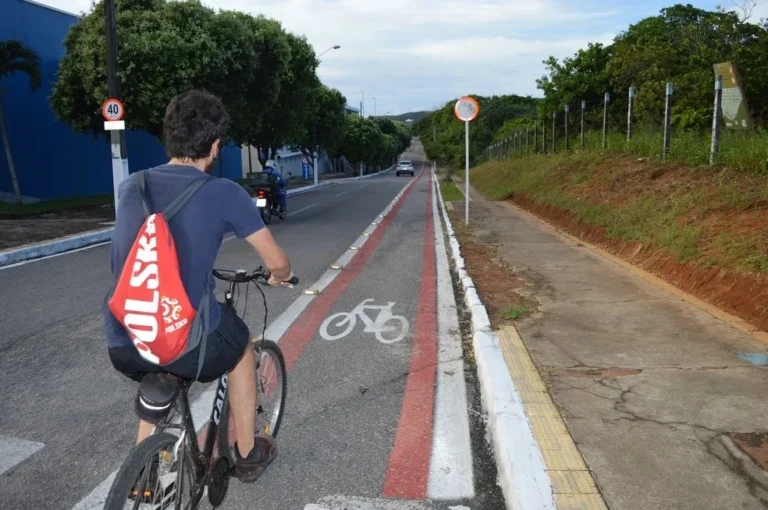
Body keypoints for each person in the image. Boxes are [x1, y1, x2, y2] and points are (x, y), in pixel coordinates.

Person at [103, 89, 293, 482]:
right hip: (183, 340)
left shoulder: (131, 186)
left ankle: (144, 476)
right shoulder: (224, 192)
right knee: (239, 346)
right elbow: (276, 260)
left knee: (160, 365)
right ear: (215, 145)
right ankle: (248, 453)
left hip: (124, 338)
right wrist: (279, 276)